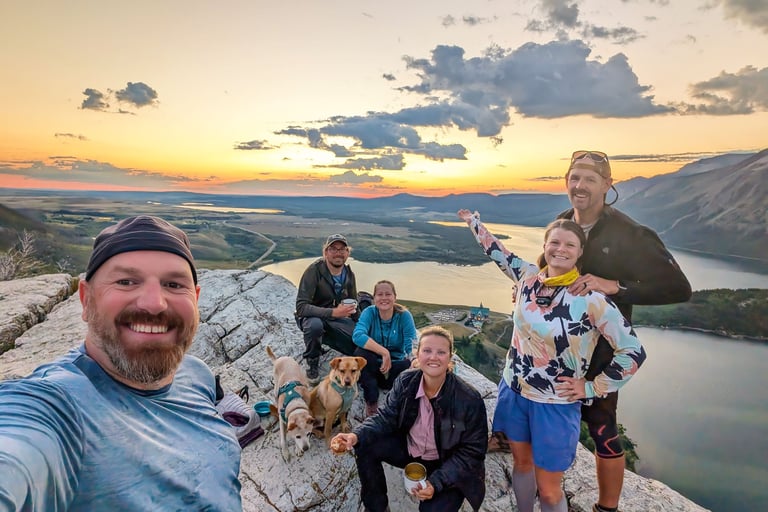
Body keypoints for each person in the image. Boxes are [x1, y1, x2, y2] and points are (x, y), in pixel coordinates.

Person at [0, 215, 242, 511]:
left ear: (196, 298)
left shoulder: (196, 374)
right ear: (86, 299)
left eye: (174, 284)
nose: (154, 303)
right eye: (126, 281)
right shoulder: (56, 405)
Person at [458, 209, 646, 512]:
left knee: (549, 489)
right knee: (521, 464)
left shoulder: (591, 298)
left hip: (555, 403)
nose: (561, 249)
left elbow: (633, 351)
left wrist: (591, 387)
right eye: (554, 242)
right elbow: (498, 252)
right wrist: (474, 223)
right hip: (515, 390)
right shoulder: (528, 277)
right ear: (545, 246)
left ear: (580, 252)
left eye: (570, 245)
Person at [557, 150, 692, 512]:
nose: (579, 185)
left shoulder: (631, 233)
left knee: (601, 425)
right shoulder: (561, 223)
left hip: (602, 350)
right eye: (575, 177)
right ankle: (548, 488)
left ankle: (607, 507)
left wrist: (614, 285)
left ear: (607, 185)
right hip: (560, 346)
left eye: (589, 179)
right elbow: (553, 271)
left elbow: (678, 288)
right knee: (550, 412)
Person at [331, 326, 488, 512]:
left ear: (450, 358)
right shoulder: (406, 381)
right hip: (410, 450)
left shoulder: (468, 398)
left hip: (446, 463)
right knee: (364, 444)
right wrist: (355, 436)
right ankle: (377, 508)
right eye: (427, 351)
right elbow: (386, 417)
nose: (433, 357)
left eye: (441, 352)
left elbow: (473, 452)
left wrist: (436, 483)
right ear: (418, 355)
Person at [295, 233, 359, 381]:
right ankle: (313, 360)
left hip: (333, 319)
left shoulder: (348, 275)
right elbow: (301, 307)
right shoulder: (314, 271)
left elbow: (354, 303)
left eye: (342, 249)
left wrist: (364, 326)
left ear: (347, 253)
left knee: (356, 342)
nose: (338, 253)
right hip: (311, 318)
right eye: (333, 249)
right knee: (315, 326)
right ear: (325, 252)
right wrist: (334, 312)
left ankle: (326, 339)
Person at [352, 279, 418, 417]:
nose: (384, 298)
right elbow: (357, 335)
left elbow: (410, 344)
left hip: (395, 367)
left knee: (412, 368)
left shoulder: (404, 316)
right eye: (379, 294)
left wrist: (414, 359)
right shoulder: (370, 312)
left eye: (388, 294)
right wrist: (384, 352)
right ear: (374, 298)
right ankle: (371, 402)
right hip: (372, 364)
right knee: (361, 354)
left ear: (395, 297)